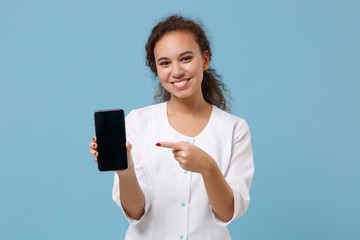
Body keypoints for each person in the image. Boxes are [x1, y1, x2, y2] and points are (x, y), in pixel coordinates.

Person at [89, 15, 254, 240]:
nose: (176, 72)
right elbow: (136, 211)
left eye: (185, 58)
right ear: (156, 69)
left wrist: (208, 168)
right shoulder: (138, 122)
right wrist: (125, 172)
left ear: (205, 60)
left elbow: (227, 213)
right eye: (165, 63)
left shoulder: (235, 129)